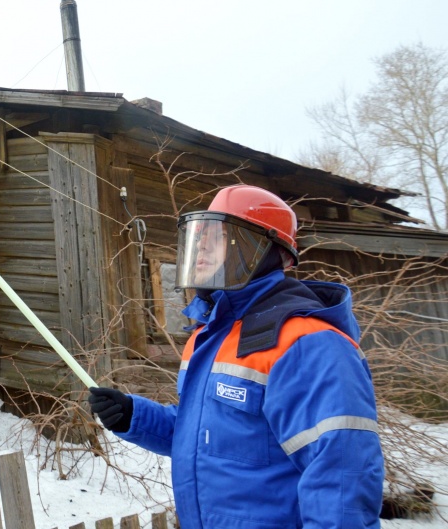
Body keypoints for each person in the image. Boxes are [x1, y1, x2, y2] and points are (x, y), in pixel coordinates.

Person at [89, 184, 384, 528]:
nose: (200, 247)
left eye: (217, 237)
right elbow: (208, 438)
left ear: (261, 249)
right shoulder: (210, 335)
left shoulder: (308, 343)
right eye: (198, 236)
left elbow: (342, 470)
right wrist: (134, 417)